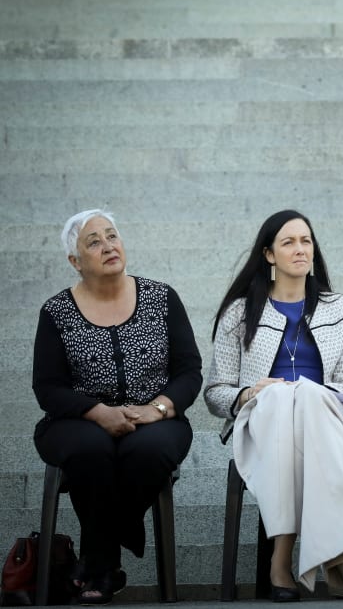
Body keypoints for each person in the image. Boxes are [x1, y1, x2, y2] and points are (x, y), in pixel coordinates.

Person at [204, 210, 343, 602]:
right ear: (269, 255)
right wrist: (250, 393)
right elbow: (215, 393)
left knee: (304, 395)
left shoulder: (339, 307)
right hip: (262, 420)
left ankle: (281, 561)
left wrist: (309, 393)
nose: (300, 249)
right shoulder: (239, 313)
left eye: (306, 241)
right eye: (289, 242)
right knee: (281, 398)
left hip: (331, 418)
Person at [32, 209, 202, 605]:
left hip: (156, 418)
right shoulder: (56, 312)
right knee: (90, 450)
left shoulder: (162, 297)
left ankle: (97, 559)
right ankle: (108, 555)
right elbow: (48, 388)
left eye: (112, 235)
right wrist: (97, 412)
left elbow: (189, 372)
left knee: (150, 450)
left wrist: (156, 409)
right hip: (75, 421)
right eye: (94, 241)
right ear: (75, 262)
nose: (108, 245)